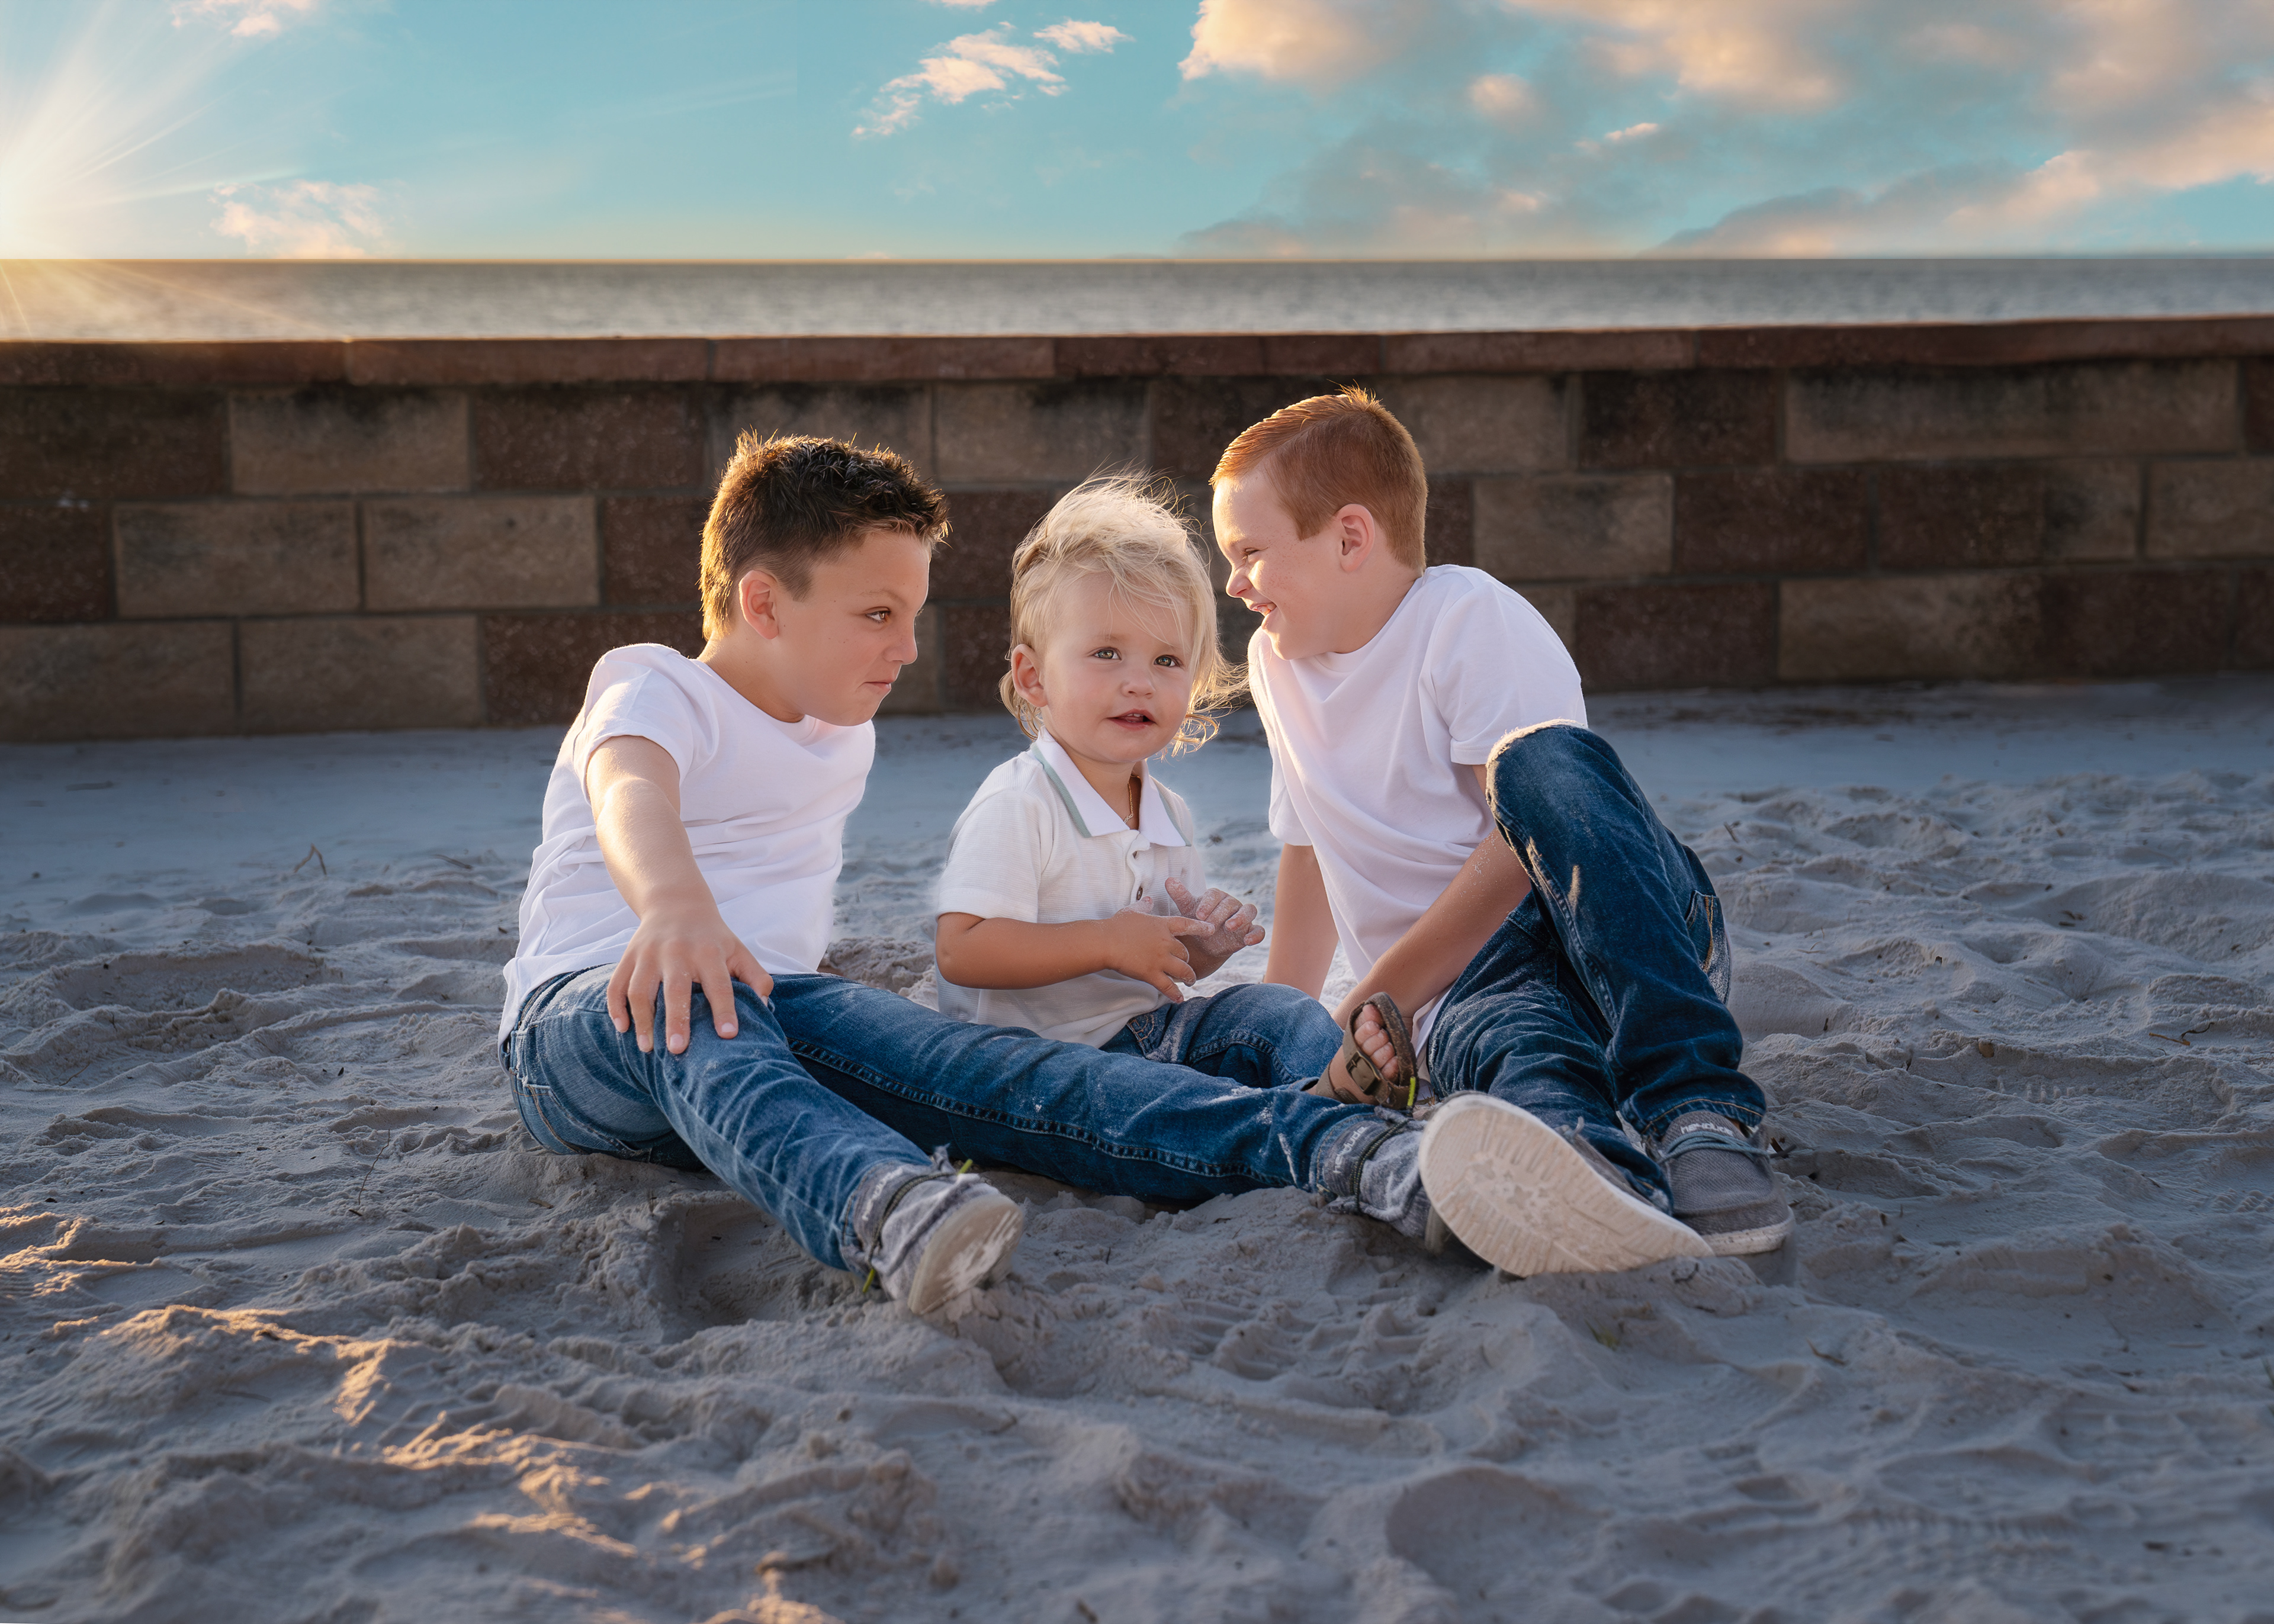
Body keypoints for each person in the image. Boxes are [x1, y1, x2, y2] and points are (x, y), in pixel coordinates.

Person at [498, 433, 1449, 1318]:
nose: (908, 647)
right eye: (878, 614)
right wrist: (674, 909)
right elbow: (630, 790)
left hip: (772, 1016)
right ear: (763, 604)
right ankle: (885, 1207)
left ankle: (1348, 1147)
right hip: (591, 1020)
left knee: (990, 1072)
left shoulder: (840, 734)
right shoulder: (655, 684)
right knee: (707, 997)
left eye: (910, 616)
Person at [1211, 387, 1795, 1279]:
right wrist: (1299, 1035)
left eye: (1250, 553)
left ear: (1351, 537)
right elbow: (1309, 849)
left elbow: (1534, 849)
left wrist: (1376, 996)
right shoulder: (1276, 663)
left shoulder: (1466, 618)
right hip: (1470, 999)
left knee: (1540, 759)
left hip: (1617, 925)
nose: (1234, 583)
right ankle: (1591, 1161)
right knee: (1525, 1065)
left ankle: (1699, 1110)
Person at [932, 476, 1342, 1091]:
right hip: (1040, 1067)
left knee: (1284, 1012)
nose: (1140, 682)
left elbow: (1163, 961)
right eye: (1106, 653)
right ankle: (1308, 1119)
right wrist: (1105, 941)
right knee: (1173, 1100)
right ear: (1034, 676)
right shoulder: (1021, 804)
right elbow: (961, 951)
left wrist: (1206, 947)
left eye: (1166, 660)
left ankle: (1344, 1092)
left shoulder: (1168, 814)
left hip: (1147, 1037)